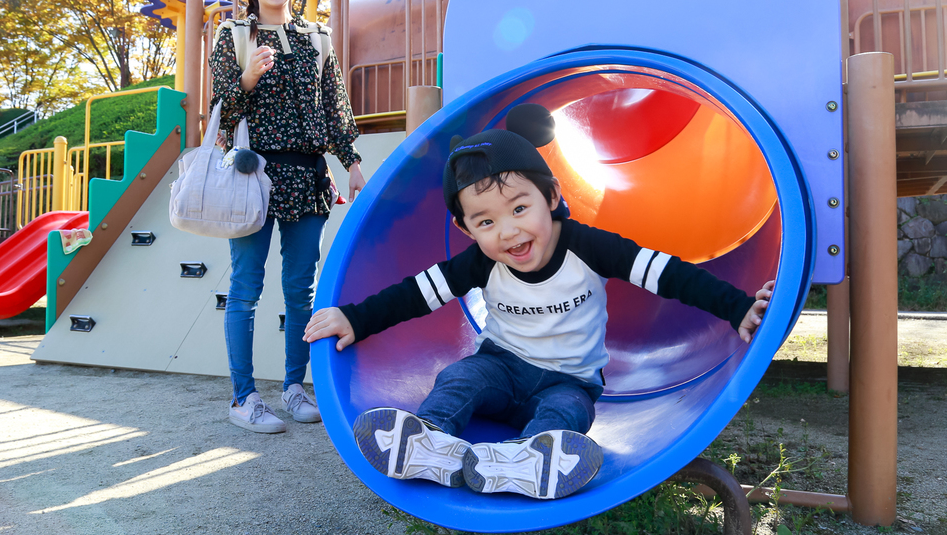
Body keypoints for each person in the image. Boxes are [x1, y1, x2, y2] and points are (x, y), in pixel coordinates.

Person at [303, 105, 773, 500]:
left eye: (519, 208)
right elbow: (414, 294)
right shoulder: (480, 262)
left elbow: (670, 275)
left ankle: (528, 457)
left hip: (568, 380)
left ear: (551, 196)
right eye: (485, 222)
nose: (507, 231)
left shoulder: (588, 246)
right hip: (502, 369)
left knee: (572, 411)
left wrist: (737, 307)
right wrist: (354, 318)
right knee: (461, 375)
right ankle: (430, 440)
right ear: (466, 230)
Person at [210, 0, 366, 433]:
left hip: (307, 176)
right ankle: (243, 397)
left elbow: (335, 108)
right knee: (246, 288)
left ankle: (294, 386)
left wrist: (352, 162)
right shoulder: (233, 36)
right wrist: (248, 77)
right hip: (250, 175)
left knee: (302, 290)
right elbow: (218, 113)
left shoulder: (316, 38)